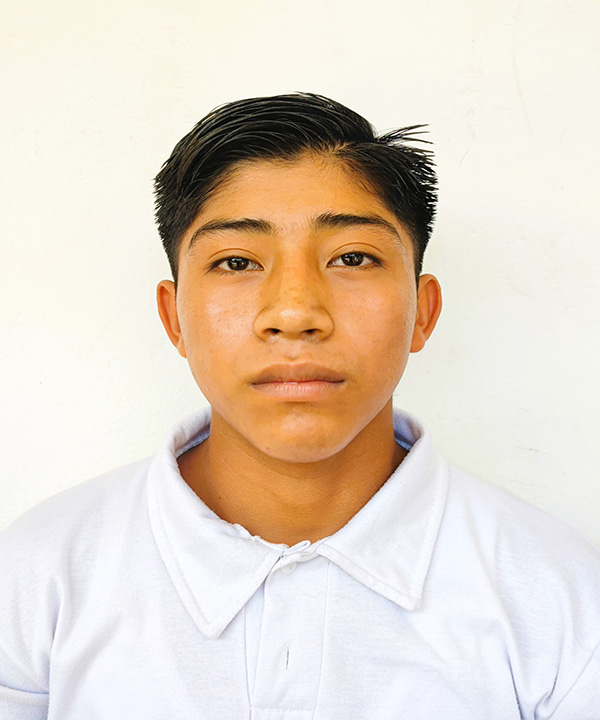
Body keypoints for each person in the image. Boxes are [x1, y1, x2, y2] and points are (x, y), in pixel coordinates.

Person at [1, 93, 598, 720]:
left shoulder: (562, 601)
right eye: (236, 261)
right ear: (174, 319)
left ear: (422, 313)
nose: (293, 313)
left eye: (352, 258)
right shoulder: (40, 575)